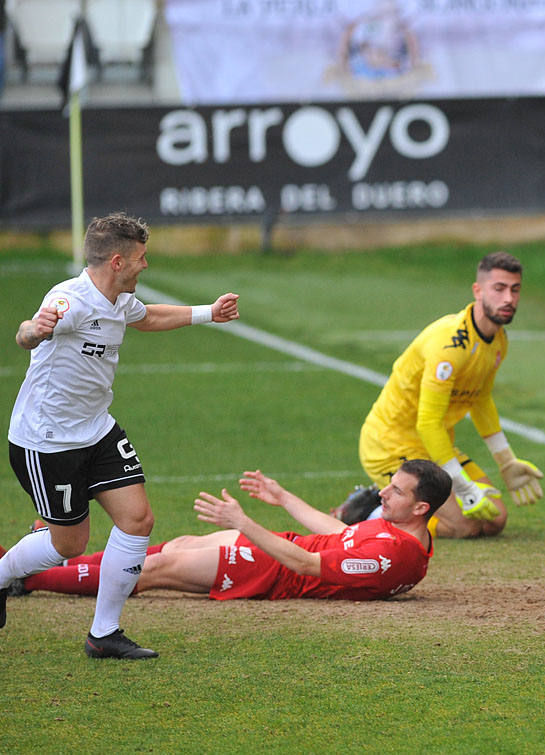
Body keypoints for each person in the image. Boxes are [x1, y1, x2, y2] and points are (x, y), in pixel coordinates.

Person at [0, 212, 241, 659]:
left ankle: (103, 633)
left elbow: (145, 317)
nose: (145, 266)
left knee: (138, 520)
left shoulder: (117, 300)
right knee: (69, 544)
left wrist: (210, 312)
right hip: (48, 440)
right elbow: (25, 333)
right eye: (141, 258)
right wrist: (36, 329)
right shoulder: (69, 300)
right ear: (117, 261)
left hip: (97, 429)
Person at [4, 461, 450, 604]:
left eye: (396, 490)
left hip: (274, 572)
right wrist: (283, 497)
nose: (384, 493)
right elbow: (338, 533)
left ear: (421, 507)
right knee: (173, 546)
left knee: (156, 567)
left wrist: (244, 523)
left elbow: (310, 565)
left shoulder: (396, 556)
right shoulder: (393, 533)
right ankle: (38, 564)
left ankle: (27, 578)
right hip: (278, 552)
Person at [338, 251, 544, 539]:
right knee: (465, 526)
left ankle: (403, 505)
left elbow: (481, 400)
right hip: (390, 446)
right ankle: (369, 511)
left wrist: (506, 461)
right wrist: (463, 487)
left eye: (515, 289)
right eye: (499, 288)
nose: (508, 298)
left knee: (496, 519)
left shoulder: (498, 341)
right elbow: (427, 422)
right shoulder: (450, 345)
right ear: (478, 290)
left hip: (434, 448)